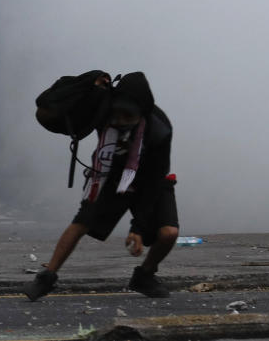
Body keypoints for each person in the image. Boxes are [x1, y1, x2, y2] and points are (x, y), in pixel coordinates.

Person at [24, 72, 179, 301]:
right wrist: (91, 82)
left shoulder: (159, 129)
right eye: (117, 113)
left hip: (148, 181)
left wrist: (137, 227)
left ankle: (145, 275)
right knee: (81, 223)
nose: (120, 120)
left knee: (168, 233)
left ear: (142, 112)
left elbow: (155, 180)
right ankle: (47, 277)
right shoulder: (104, 108)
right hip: (107, 175)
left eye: (128, 116)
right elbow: (56, 100)